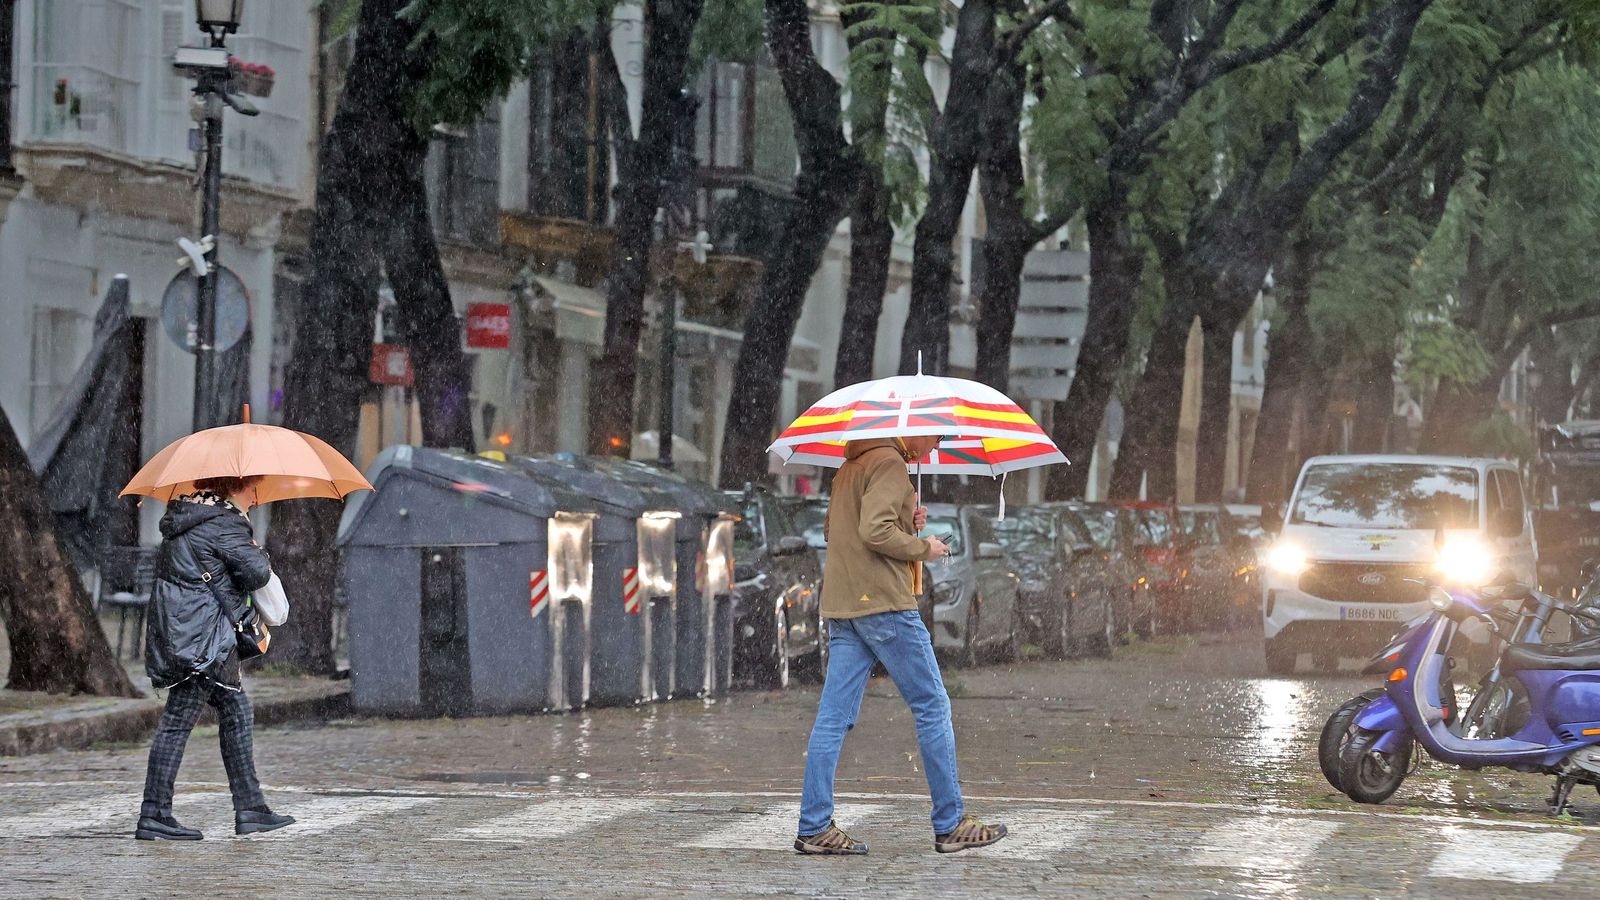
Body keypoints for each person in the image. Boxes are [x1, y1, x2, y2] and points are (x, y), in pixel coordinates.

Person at [794, 436, 1008, 855]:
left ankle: (814, 824)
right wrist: (922, 546)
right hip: (885, 605)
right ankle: (950, 823)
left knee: (833, 718)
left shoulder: (850, 466)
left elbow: (835, 529)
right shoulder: (891, 464)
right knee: (933, 705)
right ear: (911, 431)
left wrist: (906, 519)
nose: (935, 446)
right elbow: (874, 530)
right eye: (935, 437)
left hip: (844, 604)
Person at [136, 475, 295, 841]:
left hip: (188, 629)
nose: (257, 495)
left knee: (237, 710)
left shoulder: (189, 517)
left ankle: (250, 808)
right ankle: (155, 813)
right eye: (253, 486)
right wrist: (254, 545)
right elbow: (256, 572)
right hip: (203, 636)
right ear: (236, 485)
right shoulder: (223, 522)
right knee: (178, 720)